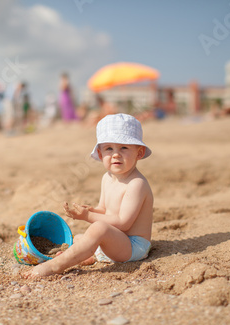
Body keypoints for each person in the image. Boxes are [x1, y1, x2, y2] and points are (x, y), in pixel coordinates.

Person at [23, 113, 154, 277]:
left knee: (97, 229)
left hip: (133, 246)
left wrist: (88, 216)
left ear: (139, 153)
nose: (116, 154)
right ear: (100, 154)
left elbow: (123, 223)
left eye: (124, 148)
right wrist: (91, 210)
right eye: (109, 149)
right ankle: (88, 256)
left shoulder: (136, 184)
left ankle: (55, 266)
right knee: (80, 238)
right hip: (116, 241)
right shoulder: (107, 178)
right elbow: (104, 209)